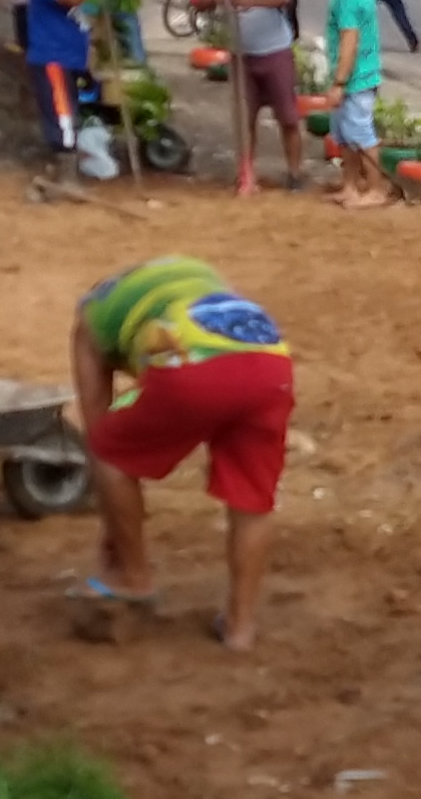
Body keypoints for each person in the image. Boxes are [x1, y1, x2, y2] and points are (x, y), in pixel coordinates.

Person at [71, 255, 293, 650]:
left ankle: (134, 578)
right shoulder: (194, 279)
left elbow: (98, 426)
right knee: (252, 498)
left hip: (194, 362)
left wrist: (118, 542)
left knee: (108, 454)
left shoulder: (90, 318)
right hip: (270, 362)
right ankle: (240, 627)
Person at [211, 0, 304, 197]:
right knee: (244, 119)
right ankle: (247, 175)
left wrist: (251, 1)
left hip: (275, 52)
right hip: (242, 56)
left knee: (288, 117)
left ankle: (295, 172)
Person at [307, 0, 389, 211]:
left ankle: (377, 189)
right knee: (344, 136)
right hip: (354, 77)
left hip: (357, 79)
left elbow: (349, 40)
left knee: (361, 134)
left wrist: (340, 82)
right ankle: (350, 186)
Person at [21, 0, 99, 163]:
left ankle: (64, 160)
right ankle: (65, 165)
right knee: (62, 113)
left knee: (68, 109)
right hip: (52, 59)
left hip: (69, 60)